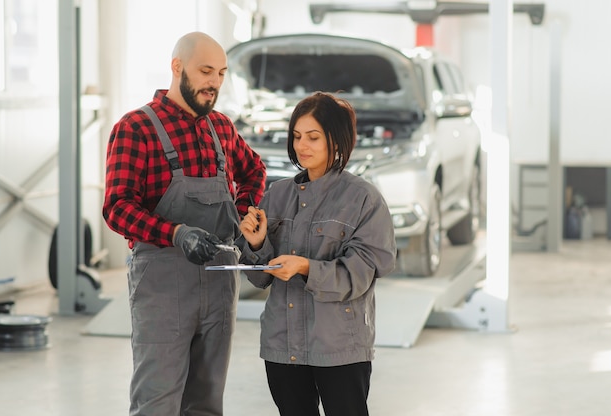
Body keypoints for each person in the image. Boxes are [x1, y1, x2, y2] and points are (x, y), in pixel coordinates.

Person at [102, 31, 266, 415]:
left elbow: (254, 170)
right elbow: (117, 207)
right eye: (206, 71)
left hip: (219, 282)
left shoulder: (220, 128)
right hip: (163, 285)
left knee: (207, 401)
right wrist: (176, 233)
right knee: (157, 401)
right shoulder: (136, 128)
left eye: (222, 74)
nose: (214, 83)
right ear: (177, 67)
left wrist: (242, 217)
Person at [238, 91, 397, 416]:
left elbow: (361, 273)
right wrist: (256, 244)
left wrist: (307, 267)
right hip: (282, 347)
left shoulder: (363, 199)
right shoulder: (277, 195)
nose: (301, 146)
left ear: (336, 141)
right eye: (297, 136)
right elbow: (258, 278)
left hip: (339, 348)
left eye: (313, 137)